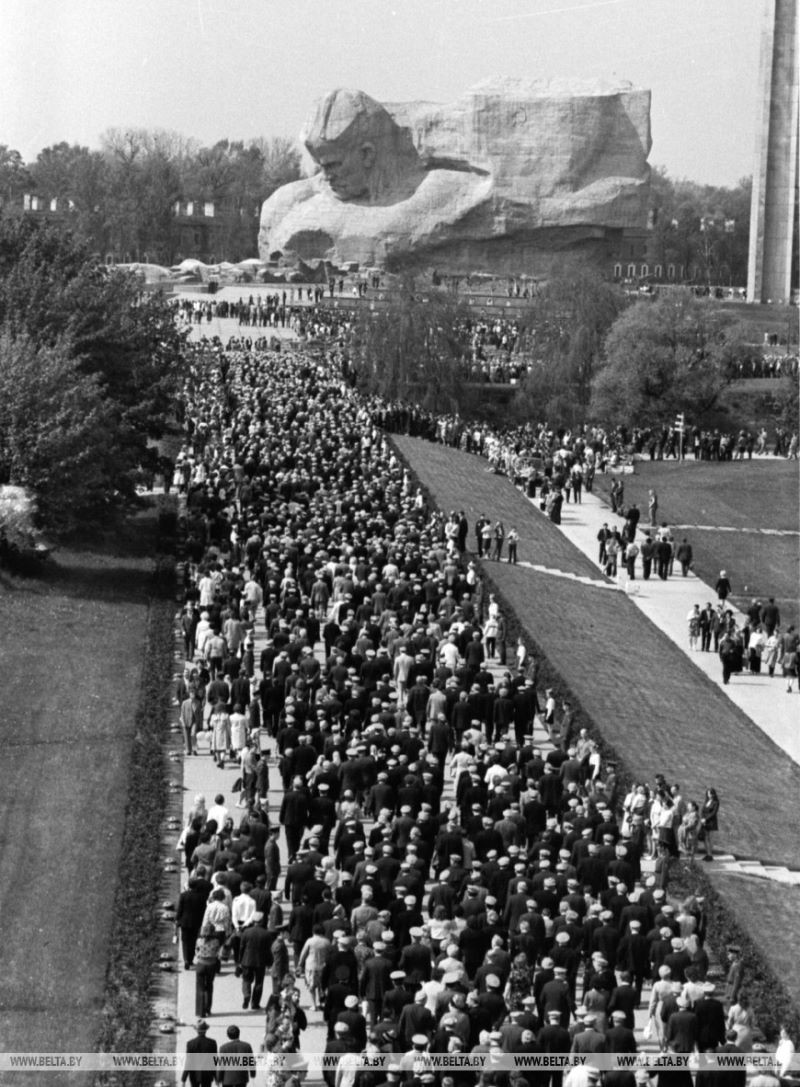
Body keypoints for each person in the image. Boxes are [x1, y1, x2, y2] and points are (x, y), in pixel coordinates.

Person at [181, 1020, 217, 1087]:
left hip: (194, 1074)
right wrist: (216, 1077)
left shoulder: (190, 1043)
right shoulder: (212, 1043)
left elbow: (188, 1062)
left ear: (197, 1031)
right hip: (207, 1075)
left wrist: (184, 1079)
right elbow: (214, 1062)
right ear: (206, 1030)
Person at [699, 788, 719, 862]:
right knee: (705, 838)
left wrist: (706, 819)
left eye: (710, 793)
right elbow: (702, 810)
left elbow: (713, 813)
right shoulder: (706, 801)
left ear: (713, 794)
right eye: (708, 793)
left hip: (711, 822)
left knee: (710, 838)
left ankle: (710, 855)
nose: (709, 795)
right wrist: (702, 818)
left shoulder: (716, 802)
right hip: (704, 822)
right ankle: (707, 853)